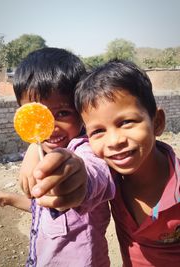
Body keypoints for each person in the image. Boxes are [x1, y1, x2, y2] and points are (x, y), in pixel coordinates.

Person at [0, 47, 115, 267]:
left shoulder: (86, 150)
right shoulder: (40, 149)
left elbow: (92, 174)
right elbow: (47, 210)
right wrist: (9, 198)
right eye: (38, 115)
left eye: (63, 113)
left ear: (81, 111)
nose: (50, 127)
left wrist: (79, 178)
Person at [73, 59, 180, 266]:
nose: (115, 141)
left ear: (157, 122)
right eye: (98, 131)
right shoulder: (109, 180)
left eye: (126, 122)